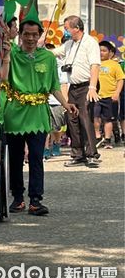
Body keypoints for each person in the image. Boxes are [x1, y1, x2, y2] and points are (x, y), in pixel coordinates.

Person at [0, 7, 77, 216]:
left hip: (38, 114)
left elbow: (53, 85)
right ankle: (17, 198)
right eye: (27, 34)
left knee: (36, 157)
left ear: (40, 34)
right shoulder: (12, 53)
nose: (31, 38)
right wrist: (6, 53)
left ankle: (35, 199)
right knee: (15, 158)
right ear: (20, 34)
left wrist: (66, 104)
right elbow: (3, 78)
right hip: (14, 113)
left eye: (35, 34)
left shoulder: (48, 58)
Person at [51, 16, 102, 167]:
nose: (64, 31)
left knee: (85, 119)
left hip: (87, 86)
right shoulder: (68, 44)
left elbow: (95, 65)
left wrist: (92, 87)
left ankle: (92, 154)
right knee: (71, 119)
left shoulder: (90, 42)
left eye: (66, 28)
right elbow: (53, 53)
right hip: (73, 86)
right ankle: (78, 155)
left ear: (76, 28)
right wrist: (39, 46)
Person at [94, 41, 124, 149]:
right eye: (99, 51)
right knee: (95, 117)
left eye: (104, 51)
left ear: (110, 52)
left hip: (110, 96)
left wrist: (117, 93)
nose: (101, 53)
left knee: (108, 119)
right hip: (96, 96)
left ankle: (107, 139)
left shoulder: (114, 65)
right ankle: (97, 137)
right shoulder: (94, 64)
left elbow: (120, 80)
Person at [44, 43, 69, 158]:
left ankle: (56, 143)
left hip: (57, 101)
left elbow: (63, 84)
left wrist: (65, 102)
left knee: (56, 127)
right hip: (44, 101)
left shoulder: (59, 67)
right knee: (46, 127)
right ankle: (46, 147)